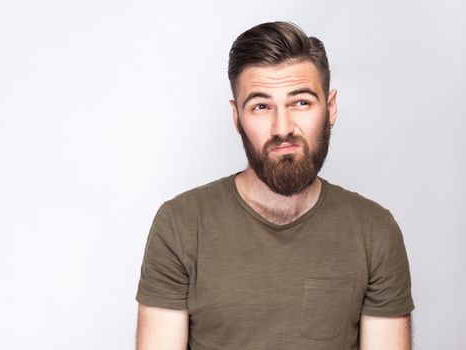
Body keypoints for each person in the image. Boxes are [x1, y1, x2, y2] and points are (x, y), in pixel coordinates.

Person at [135, 21, 414, 350]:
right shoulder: (181, 224)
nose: (283, 129)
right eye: (261, 107)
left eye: (301, 102)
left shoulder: (374, 231)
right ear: (237, 117)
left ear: (331, 107)